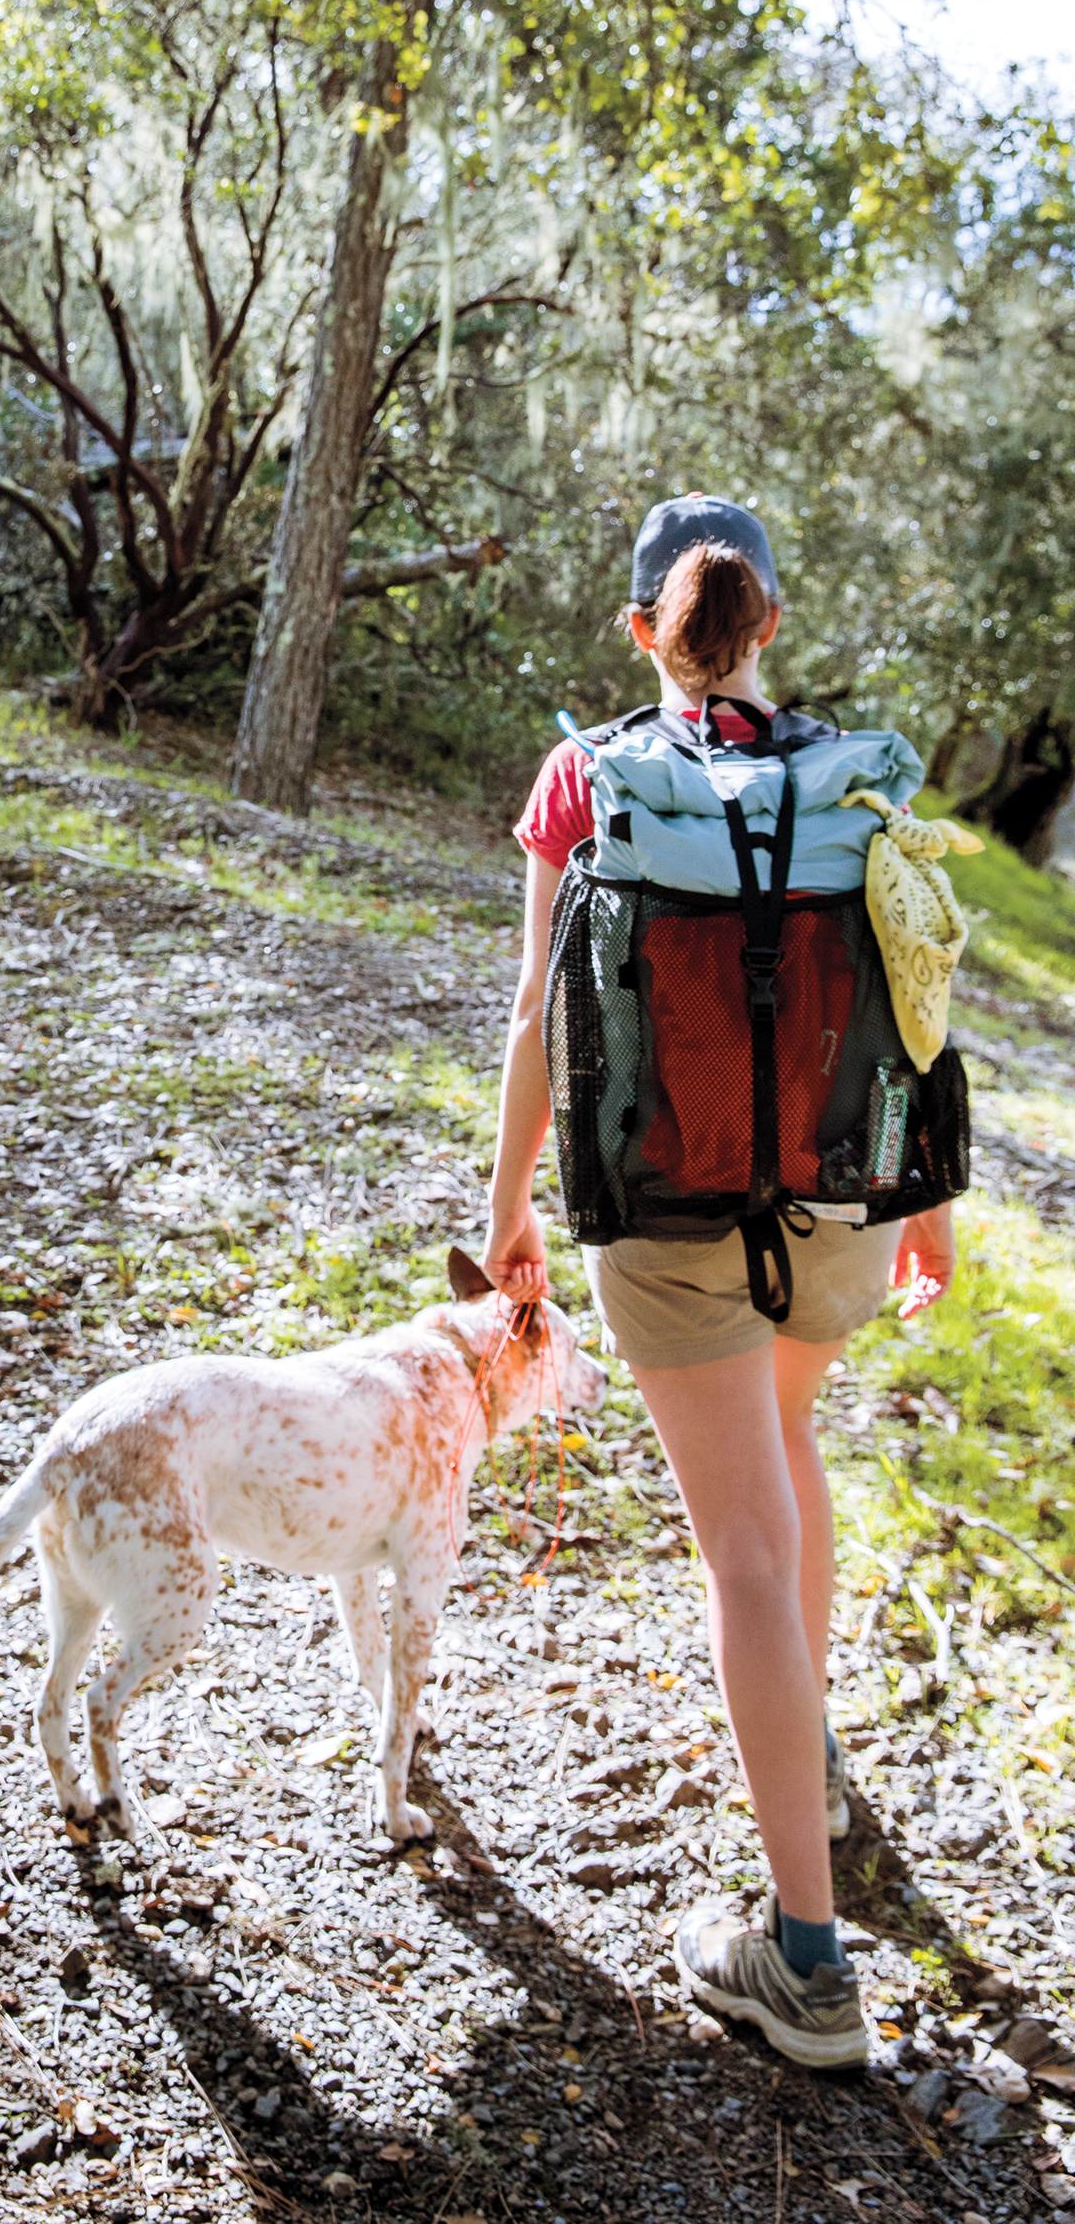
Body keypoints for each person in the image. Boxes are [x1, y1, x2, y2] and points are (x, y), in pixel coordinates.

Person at [481, 493, 957, 2070]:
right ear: (770, 623)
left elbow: (541, 1016)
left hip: (671, 1215)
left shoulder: (586, 777)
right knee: (791, 1455)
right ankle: (804, 1760)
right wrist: (930, 1205)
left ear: (646, 632)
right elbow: (920, 992)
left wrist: (510, 1215)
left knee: (741, 1550)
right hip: (839, 1207)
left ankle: (806, 1965)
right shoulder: (857, 779)